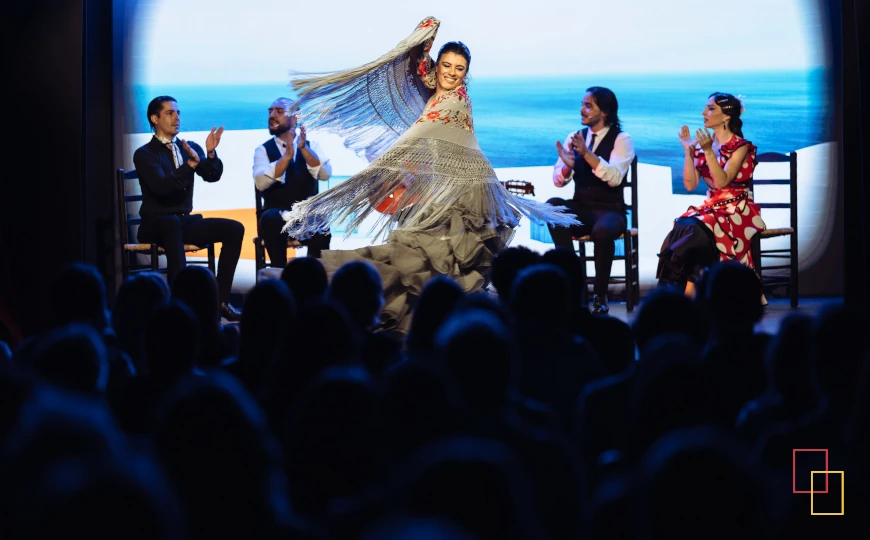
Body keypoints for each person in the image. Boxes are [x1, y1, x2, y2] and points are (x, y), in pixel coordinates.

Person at [280, 17, 577, 334]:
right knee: (425, 257)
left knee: (438, 257)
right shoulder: (436, 85)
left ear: (466, 74)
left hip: (465, 189)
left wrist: (380, 168)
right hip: (443, 185)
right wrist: (431, 28)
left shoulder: (455, 100)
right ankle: (435, 324)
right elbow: (418, 59)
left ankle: (443, 327)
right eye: (446, 65)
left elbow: (420, 134)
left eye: (459, 68)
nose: (451, 72)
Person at [133, 95, 244, 321]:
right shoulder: (144, 154)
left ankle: (220, 301)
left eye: (178, 113)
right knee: (172, 223)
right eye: (170, 113)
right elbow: (163, 187)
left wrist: (210, 154)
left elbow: (212, 176)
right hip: (154, 223)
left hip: (183, 222)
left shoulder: (188, 148)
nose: (176, 118)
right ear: (155, 119)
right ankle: (179, 306)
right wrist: (190, 164)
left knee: (235, 228)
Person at [656, 92, 765, 300]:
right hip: (713, 208)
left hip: (737, 210)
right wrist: (689, 151)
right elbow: (690, 184)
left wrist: (707, 152)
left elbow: (723, 181)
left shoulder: (740, 146)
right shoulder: (705, 145)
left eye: (711, 108)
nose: (703, 112)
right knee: (684, 225)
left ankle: (683, 294)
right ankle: (684, 290)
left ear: (726, 116)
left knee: (699, 228)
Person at [546, 87, 636, 315]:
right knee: (552, 207)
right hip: (583, 208)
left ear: (604, 112)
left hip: (609, 211)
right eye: (583, 104)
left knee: (604, 231)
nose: (582, 110)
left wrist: (586, 155)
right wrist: (568, 164)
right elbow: (558, 181)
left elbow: (615, 178)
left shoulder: (622, 139)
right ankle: (574, 284)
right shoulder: (574, 137)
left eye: (588, 106)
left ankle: (599, 294)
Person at [253, 97, 333, 264]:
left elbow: (325, 174)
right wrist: (287, 156)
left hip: (305, 217)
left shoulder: (312, 146)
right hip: (275, 218)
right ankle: (280, 274)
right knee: (271, 218)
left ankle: (313, 276)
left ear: (295, 118)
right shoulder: (263, 150)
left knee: (321, 225)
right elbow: (260, 183)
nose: (272, 115)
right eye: (270, 111)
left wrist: (303, 149)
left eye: (279, 112)